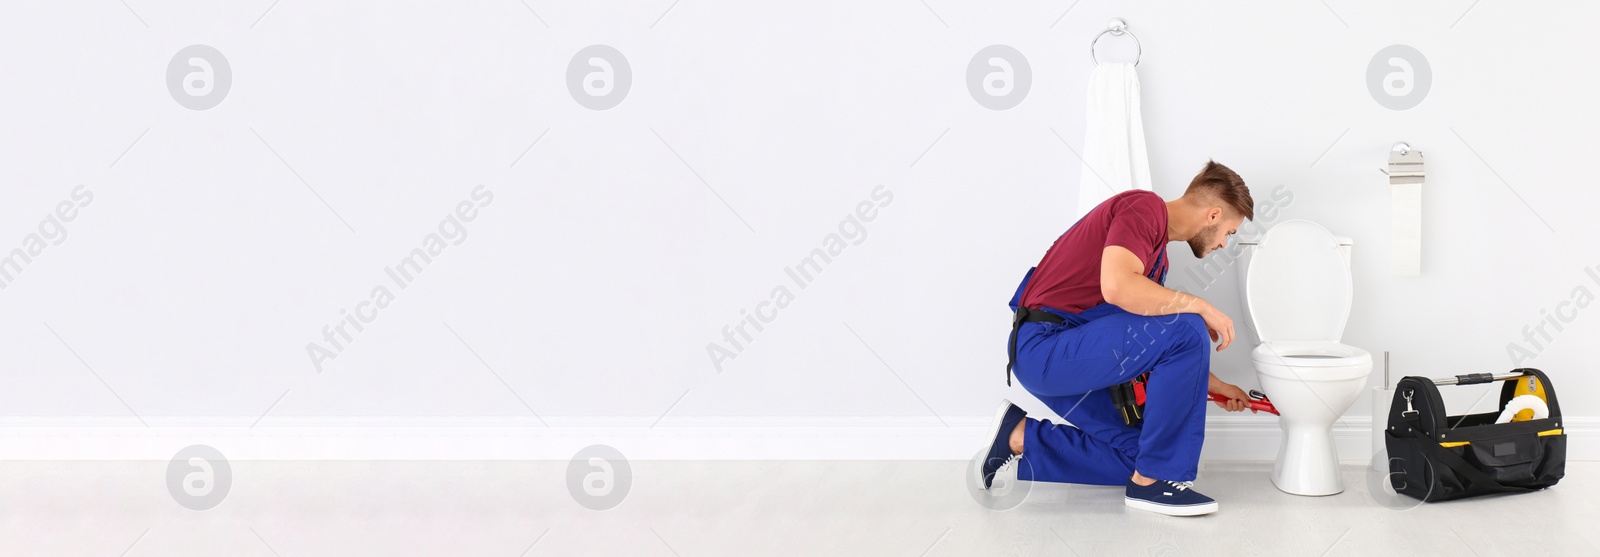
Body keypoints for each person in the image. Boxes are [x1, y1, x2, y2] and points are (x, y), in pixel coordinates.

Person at [978, 160, 1258, 517]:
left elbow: (1154, 347)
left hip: (1071, 358)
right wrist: (1201, 307)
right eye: (1229, 233)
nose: (1223, 244)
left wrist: (1215, 386)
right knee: (1188, 324)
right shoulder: (1144, 209)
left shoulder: (1155, 260)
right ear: (1214, 215)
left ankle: (1018, 436)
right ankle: (1153, 484)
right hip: (1045, 348)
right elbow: (1117, 287)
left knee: (1140, 454)